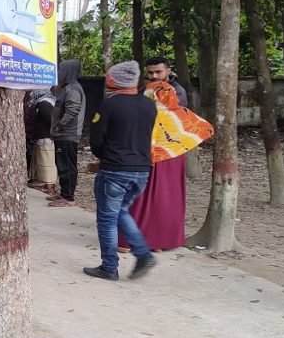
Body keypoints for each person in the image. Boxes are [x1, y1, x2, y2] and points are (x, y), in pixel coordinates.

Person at [84, 61, 159, 281]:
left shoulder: (109, 105)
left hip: (114, 170)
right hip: (142, 171)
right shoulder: (149, 105)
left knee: (107, 219)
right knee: (121, 211)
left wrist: (103, 158)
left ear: (114, 80)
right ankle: (143, 254)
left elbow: (96, 140)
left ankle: (109, 267)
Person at [119, 81, 213, 252]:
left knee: (141, 199)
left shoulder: (145, 114)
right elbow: (202, 128)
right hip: (174, 159)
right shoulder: (182, 114)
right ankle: (160, 241)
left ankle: (130, 240)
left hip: (148, 160)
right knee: (167, 198)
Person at [49, 59, 86, 207]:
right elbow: (53, 92)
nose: (59, 73)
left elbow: (72, 111)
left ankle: (69, 197)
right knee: (62, 164)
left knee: (67, 166)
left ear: (69, 72)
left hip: (67, 134)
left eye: (61, 70)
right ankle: (64, 193)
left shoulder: (73, 89)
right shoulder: (65, 88)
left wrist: (60, 125)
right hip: (62, 134)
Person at [27, 88, 57, 193]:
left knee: (46, 160)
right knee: (40, 159)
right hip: (43, 135)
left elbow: (51, 120)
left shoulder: (43, 103)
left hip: (45, 136)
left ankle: (48, 184)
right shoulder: (45, 102)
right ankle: (42, 181)